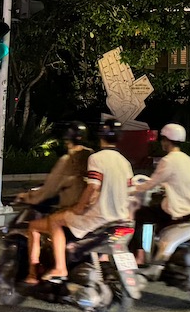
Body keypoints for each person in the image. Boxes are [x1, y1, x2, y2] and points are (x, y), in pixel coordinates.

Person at [43, 119, 133, 286]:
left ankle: (60, 269)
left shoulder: (96, 158)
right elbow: (129, 191)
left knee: (55, 221)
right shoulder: (124, 162)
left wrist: (79, 207)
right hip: (119, 217)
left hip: (100, 216)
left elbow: (92, 187)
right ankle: (102, 262)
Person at [132, 123, 190, 267]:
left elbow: (152, 183)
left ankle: (140, 256)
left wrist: (134, 188)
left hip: (180, 206)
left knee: (141, 215)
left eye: (163, 139)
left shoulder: (167, 161)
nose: (162, 142)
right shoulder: (186, 159)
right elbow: (178, 180)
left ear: (167, 140)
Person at [14, 123, 90, 284]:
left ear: (67, 140)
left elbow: (49, 189)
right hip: (92, 213)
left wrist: (27, 197)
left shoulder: (68, 160)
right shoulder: (92, 156)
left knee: (33, 227)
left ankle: (33, 274)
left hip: (72, 212)